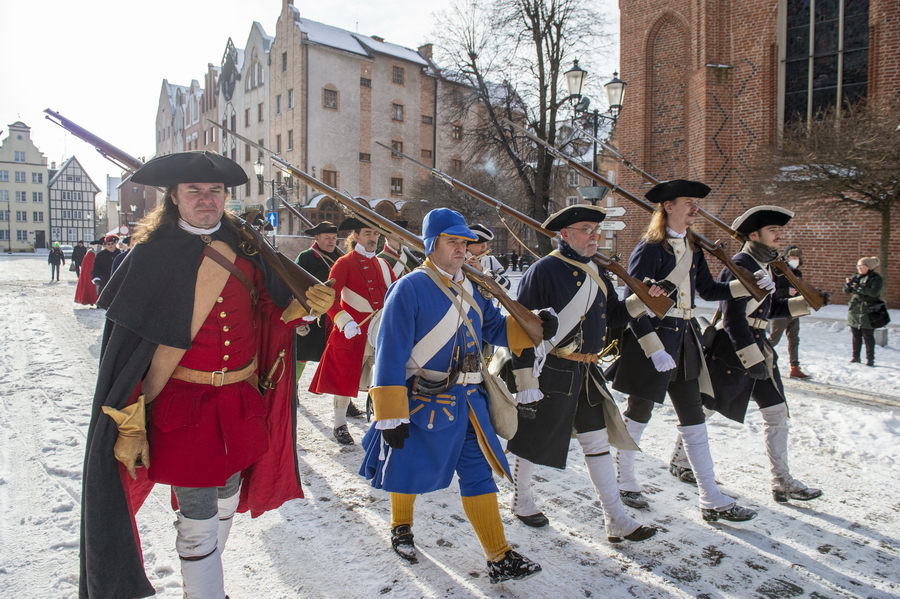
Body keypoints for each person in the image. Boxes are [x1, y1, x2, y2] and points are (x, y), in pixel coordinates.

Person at [79, 150, 335, 599]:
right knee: (197, 519)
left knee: (227, 499)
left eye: (214, 191)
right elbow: (127, 353)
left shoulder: (248, 250)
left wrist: (300, 307)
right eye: (193, 191)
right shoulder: (149, 257)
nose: (205, 199)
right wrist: (130, 418)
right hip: (181, 407)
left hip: (238, 401)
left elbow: (267, 313)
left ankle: (202, 584)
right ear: (174, 198)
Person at [359, 208, 556, 583]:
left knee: (479, 474)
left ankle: (499, 556)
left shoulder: (473, 287)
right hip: (422, 400)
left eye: (464, 242)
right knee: (406, 467)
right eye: (453, 241)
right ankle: (401, 526)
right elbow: (391, 350)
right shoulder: (410, 287)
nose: (462, 249)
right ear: (432, 245)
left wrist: (534, 324)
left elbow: (496, 329)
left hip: (470, 400)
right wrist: (390, 412)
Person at [610, 179, 771, 523]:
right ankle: (622, 479)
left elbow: (709, 291)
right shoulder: (650, 249)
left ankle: (710, 496)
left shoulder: (694, 248)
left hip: (684, 340)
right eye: (689, 202)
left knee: (694, 417)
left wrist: (750, 284)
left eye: (696, 203)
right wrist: (653, 350)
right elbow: (633, 304)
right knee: (639, 411)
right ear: (668, 206)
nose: (695, 209)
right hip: (652, 341)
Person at [506, 204, 658, 544]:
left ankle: (616, 517)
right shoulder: (544, 270)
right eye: (587, 229)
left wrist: (643, 299)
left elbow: (615, 315)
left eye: (596, 230)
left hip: (587, 370)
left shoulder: (599, 273)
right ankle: (521, 499)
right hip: (552, 368)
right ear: (565, 234)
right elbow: (521, 327)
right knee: (533, 438)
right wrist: (525, 381)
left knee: (596, 439)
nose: (594, 236)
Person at [669, 206, 824, 504]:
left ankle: (782, 481)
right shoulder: (740, 263)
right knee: (706, 408)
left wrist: (806, 304)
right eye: (773, 231)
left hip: (759, 346)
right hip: (734, 348)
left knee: (777, 413)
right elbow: (732, 316)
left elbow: (771, 310)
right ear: (754, 235)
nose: (780, 235)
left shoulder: (766, 265)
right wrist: (751, 358)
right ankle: (680, 461)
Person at [309, 217, 396, 445]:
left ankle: (381, 423)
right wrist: (343, 320)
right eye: (368, 233)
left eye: (375, 234)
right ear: (355, 236)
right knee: (345, 378)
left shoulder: (384, 265)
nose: (372, 238)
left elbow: (398, 294)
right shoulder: (344, 263)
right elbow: (329, 298)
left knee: (381, 378)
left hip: (380, 331)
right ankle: (339, 424)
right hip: (352, 331)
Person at [767, 246, 808, 378]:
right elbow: (771, 289)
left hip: (795, 308)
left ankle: (795, 367)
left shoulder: (797, 273)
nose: (795, 260)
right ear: (786, 257)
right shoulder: (778, 271)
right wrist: (786, 292)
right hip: (781, 308)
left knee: (794, 338)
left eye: (797, 258)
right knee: (774, 339)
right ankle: (758, 361)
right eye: (793, 257)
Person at [844, 257, 884, 367]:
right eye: (858, 266)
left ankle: (870, 359)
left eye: (862, 266)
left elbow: (874, 292)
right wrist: (848, 285)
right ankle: (855, 356)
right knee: (855, 335)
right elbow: (846, 291)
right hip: (855, 310)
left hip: (868, 310)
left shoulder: (876, 278)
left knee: (868, 335)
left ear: (869, 267)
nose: (859, 268)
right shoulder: (856, 277)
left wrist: (859, 287)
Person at [466, 224, 511, 293]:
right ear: (466, 245)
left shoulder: (491, 261)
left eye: (485, 243)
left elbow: (506, 287)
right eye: (479, 243)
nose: (484, 246)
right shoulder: (457, 261)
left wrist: (482, 270)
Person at [74, 241, 100, 306]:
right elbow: (87, 266)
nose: (99, 247)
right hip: (91, 274)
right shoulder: (90, 254)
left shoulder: (100, 253)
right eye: (98, 246)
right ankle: (92, 300)